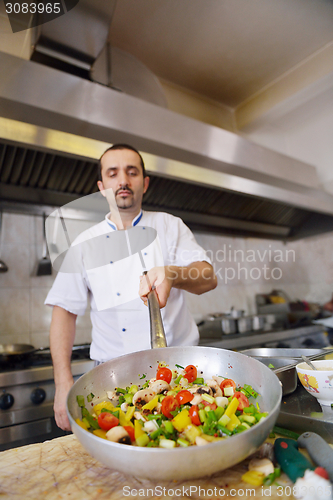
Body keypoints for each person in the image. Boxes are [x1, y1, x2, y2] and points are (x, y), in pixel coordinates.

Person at [45, 144, 217, 431]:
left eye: (132, 172)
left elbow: (208, 277)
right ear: (102, 186)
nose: (122, 180)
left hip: (179, 377)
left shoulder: (170, 226)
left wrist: (172, 273)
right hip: (113, 383)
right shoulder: (84, 243)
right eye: (113, 173)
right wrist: (63, 383)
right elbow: (64, 312)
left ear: (145, 183)